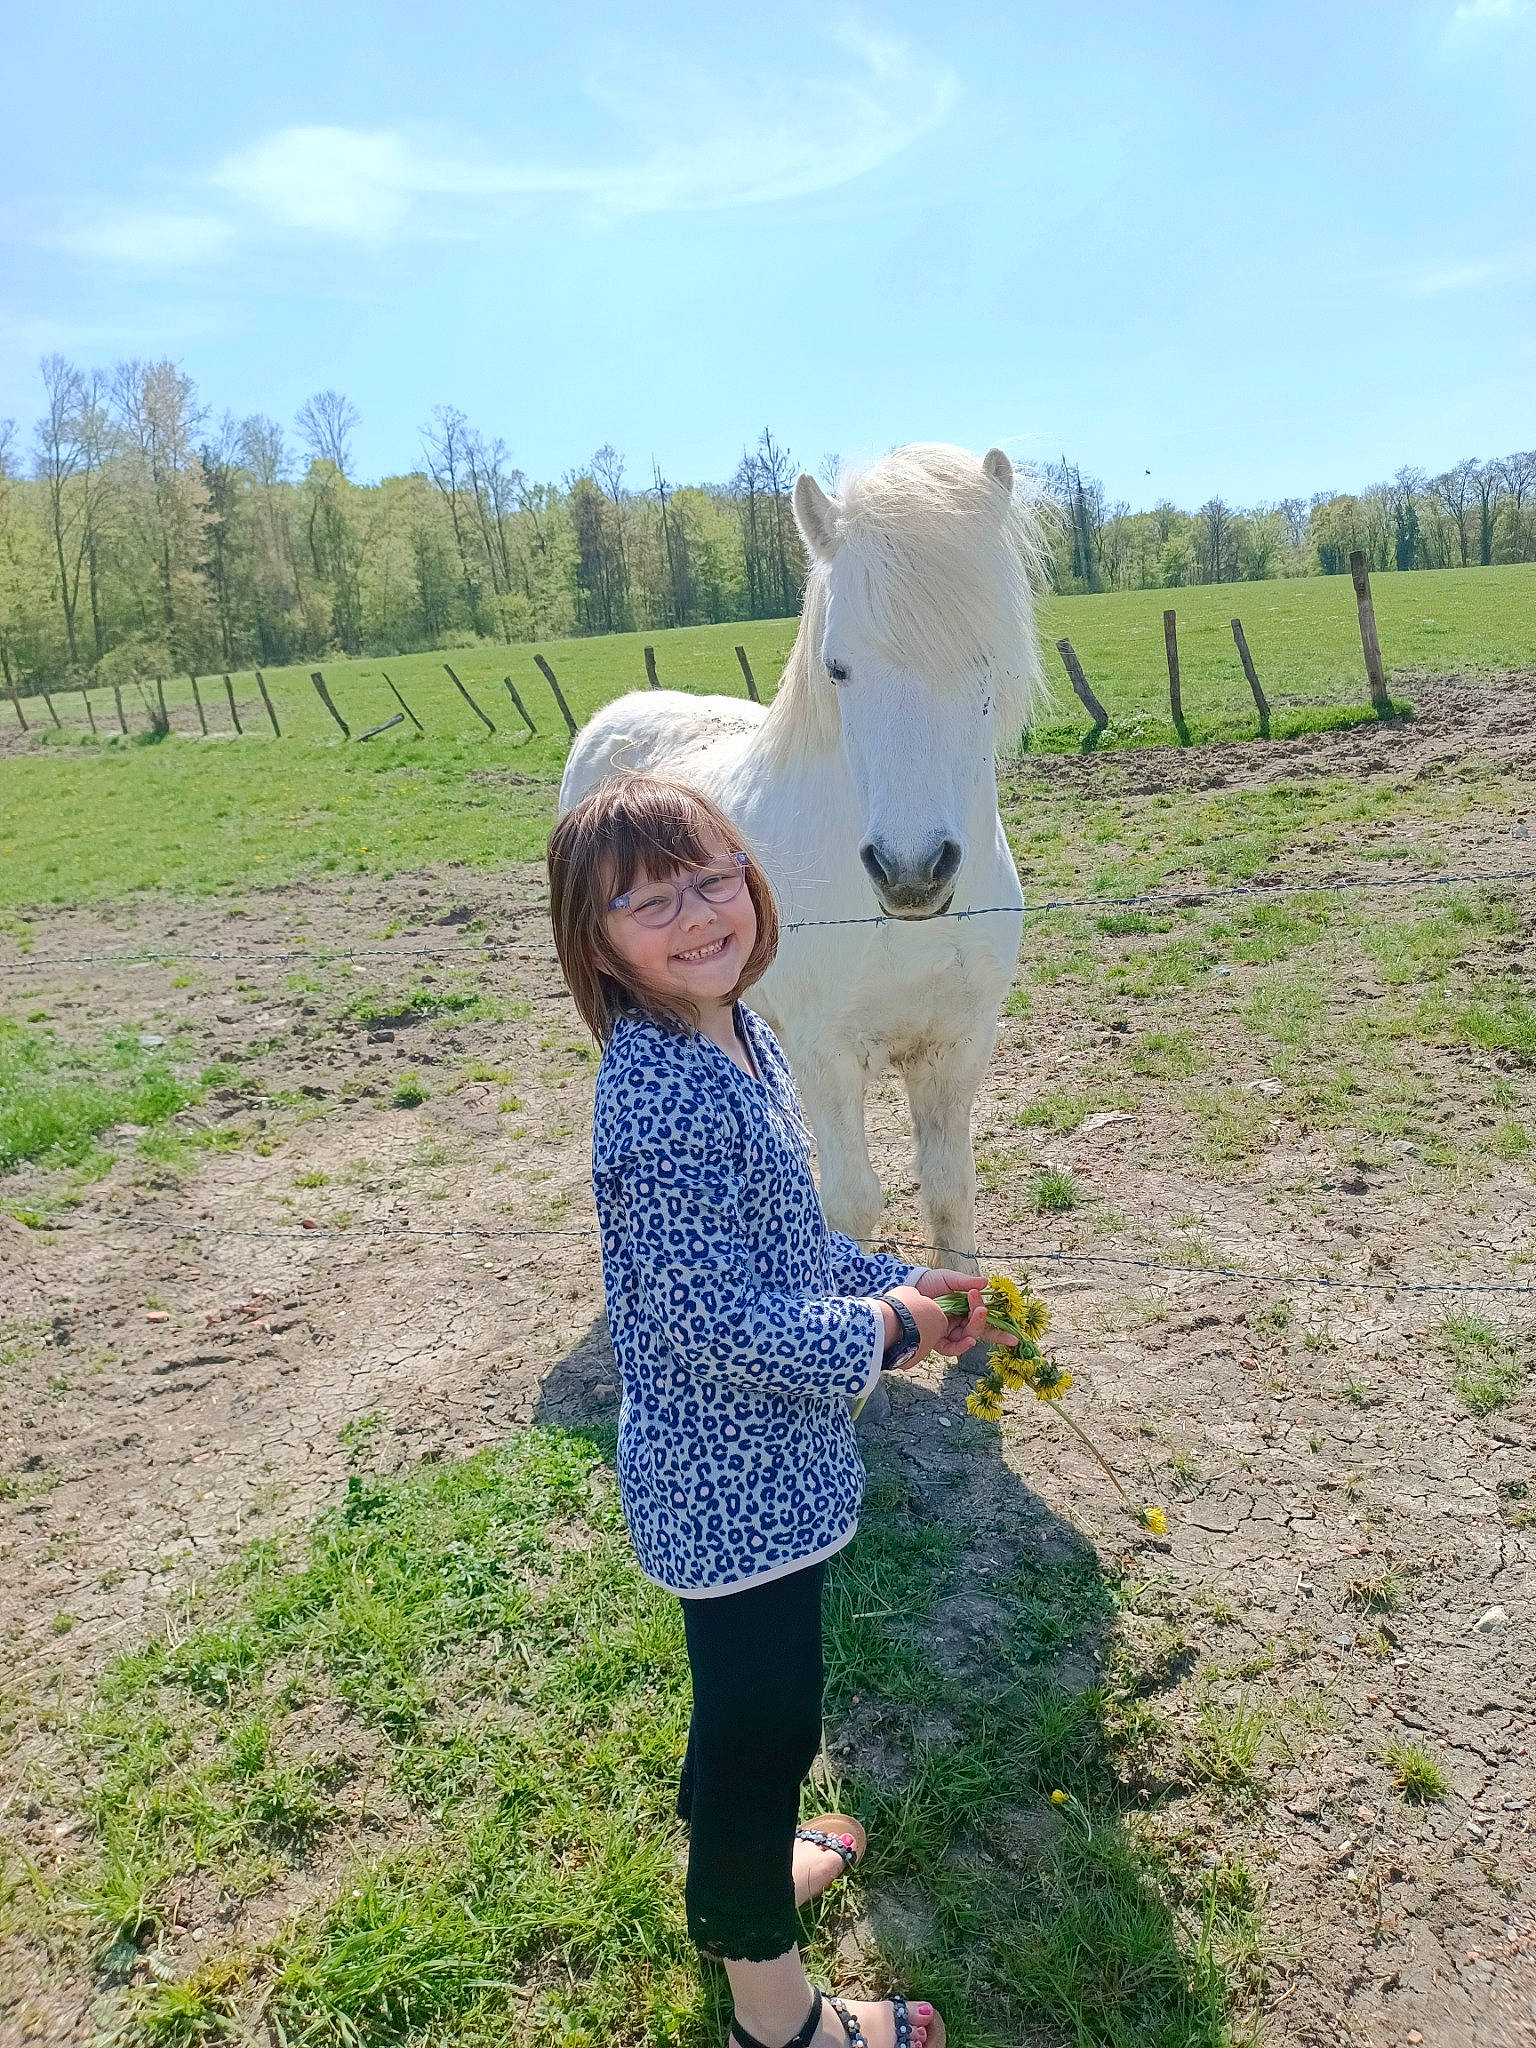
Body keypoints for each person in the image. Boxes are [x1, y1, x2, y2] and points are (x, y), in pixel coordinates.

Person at [547, 773, 1014, 2048]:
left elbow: (783, 1249)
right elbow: (721, 1322)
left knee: (751, 1708)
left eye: (710, 877)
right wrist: (892, 1328)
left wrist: (898, 1278)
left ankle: (738, 1870)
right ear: (596, 942)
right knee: (766, 1731)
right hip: (724, 1484)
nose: (695, 916)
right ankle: (778, 2011)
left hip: (773, 1466)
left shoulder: (735, 1036)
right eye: (647, 902)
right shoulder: (659, 1091)